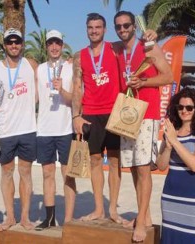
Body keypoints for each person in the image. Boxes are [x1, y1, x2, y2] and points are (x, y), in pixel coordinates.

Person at [113, 11, 173, 242]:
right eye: (118, 26)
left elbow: (167, 76)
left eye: (127, 25)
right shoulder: (118, 49)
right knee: (134, 168)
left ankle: (141, 221)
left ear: (133, 27)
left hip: (147, 113)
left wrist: (144, 81)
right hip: (127, 113)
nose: (123, 29)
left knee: (144, 168)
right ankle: (145, 217)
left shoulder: (149, 47)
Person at [71, 13, 123, 223]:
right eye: (90, 27)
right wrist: (76, 115)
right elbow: (77, 87)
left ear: (105, 29)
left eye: (98, 27)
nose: (94, 31)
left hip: (114, 111)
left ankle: (113, 210)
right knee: (94, 160)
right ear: (86, 29)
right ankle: (99, 209)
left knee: (114, 160)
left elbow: (136, 45)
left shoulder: (115, 49)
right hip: (91, 112)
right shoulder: (79, 55)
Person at [0, 28, 38, 231]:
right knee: (7, 173)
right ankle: (10, 216)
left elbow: (44, 85)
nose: (14, 45)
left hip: (27, 128)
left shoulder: (31, 65)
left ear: (22, 44)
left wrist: (70, 62)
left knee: (25, 173)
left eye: (17, 41)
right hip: (5, 129)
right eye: (10, 42)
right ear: (5, 45)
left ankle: (25, 217)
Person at [156, 87, 195, 244]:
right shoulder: (171, 131)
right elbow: (161, 165)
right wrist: (168, 146)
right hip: (171, 199)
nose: (184, 110)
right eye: (180, 107)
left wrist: (174, 142)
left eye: (189, 107)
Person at [35, 29, 76, 230]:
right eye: (50, 43)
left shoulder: (70, 68)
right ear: (46, 46)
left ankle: (68, 220)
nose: (54, 47)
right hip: (44, 130)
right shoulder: (39, 69)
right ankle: (50, 219)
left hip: (65, 129)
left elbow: (74, 100)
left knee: (68, 175)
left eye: (57, 43)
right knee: (47, 174)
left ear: (62, 45)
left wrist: (62, 90)